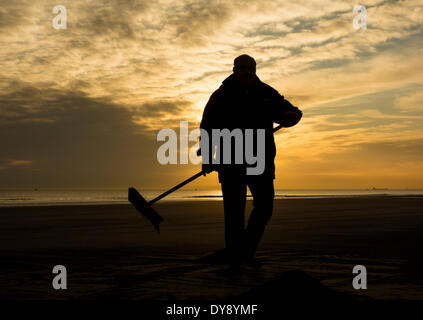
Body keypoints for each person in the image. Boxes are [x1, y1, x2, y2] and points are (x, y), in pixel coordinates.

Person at [199, 54, 302, 269]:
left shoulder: (265, 93)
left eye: (251, 67)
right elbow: (207, 127)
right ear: (235, 69)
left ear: (255, 69)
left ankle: (244, 251)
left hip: (260, 160)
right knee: (234, 213)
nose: (248, 71)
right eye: (243, 68)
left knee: (265, 207)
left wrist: (291, 116)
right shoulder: (221, 96)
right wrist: (208, 158)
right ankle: (237, 259)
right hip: (230, 162)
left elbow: (289, 111)